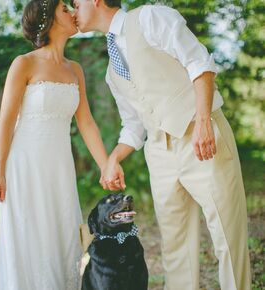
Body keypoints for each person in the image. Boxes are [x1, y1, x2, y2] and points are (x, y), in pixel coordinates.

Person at [74, 1, 252, 289]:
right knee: (175, 248)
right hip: (158, 153)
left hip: (200, 134)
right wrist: (113, 159)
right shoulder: (111, 72)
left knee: (228, 239)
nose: (73, 10)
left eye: (75, 3)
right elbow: (133, 126)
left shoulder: (150, 17)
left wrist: (204, 120)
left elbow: (199, 63)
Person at [0, 0, 108, 289]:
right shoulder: (24, 63)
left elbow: (87, 123)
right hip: (25, 165)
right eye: (65, 9)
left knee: (60, 231)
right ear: (49, 19)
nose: (72, 13)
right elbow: (5, 122)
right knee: (30, 234)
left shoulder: (75, 69)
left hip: (59, 166)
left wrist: (106, 166)